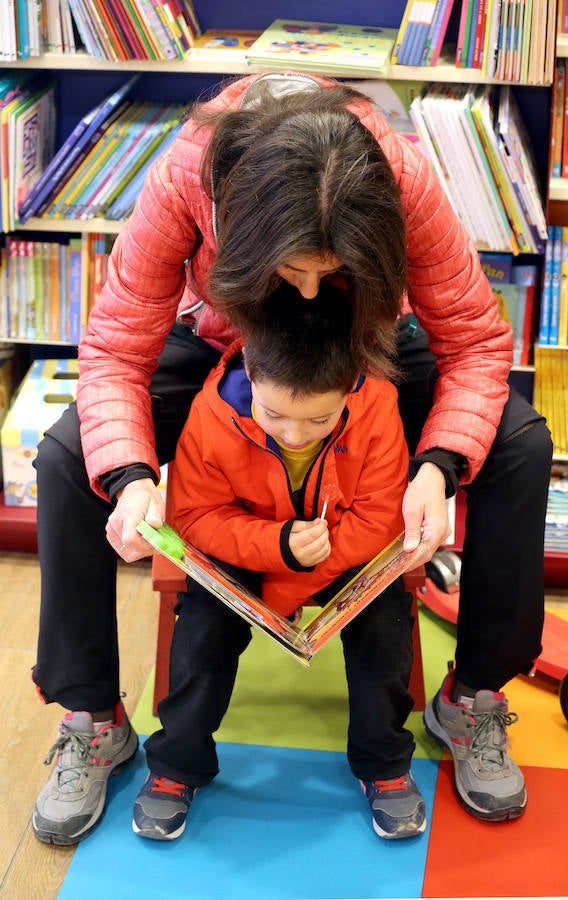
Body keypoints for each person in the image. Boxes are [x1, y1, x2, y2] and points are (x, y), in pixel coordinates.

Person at [31, 72, 552, 847]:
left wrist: (439, 464)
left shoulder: (402, 174)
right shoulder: (190, 171)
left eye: (332, 271)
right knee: (72, 455)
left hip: (367, 353)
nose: (310, 292)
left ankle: (471, 696)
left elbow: (475, 343)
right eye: (291, 269)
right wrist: (133, 478)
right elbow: (113, 351)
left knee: (517, 442)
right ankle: (95, 717)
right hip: (223, 344)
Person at [132, 281, 425, 841]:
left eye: (319, 421)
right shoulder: (213, 415)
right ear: (250, 369)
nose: (294, 435)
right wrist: (277, 550)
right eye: (275, 416)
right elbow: (194, 516)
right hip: (247, 546)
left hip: (342, 550)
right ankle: (175, 766)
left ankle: (385, 764)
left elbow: (381, 518)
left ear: (350, 386)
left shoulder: (378, 405)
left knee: (385, 633)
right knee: (203, 632)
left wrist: (287, 587)